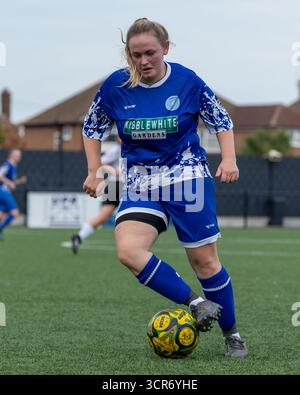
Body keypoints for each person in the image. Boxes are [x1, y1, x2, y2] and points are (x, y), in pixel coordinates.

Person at [81, 18, 248, 357]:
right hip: (141, 182)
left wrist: (229, 158)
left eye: (150, 53)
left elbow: (221, 120)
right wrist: (94, 170)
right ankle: (197, 303)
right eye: (136, 54)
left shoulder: (187, 80)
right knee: (128, 251)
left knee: (204, 263)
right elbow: (91, 127)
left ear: (166, 48)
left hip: (187, 179)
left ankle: (232, 335)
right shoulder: (115, 86)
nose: (143, 62)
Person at [71, 136, 122, 254]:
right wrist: (116, 172)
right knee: (104, 216)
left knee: (105, 217)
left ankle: (79, 237)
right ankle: (79, 237)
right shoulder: (116, 149)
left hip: (120, 185)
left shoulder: (129, 148)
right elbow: (101, 163)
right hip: (116, 185)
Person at [0, 149, 27, 240]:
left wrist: (20, 181)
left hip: (4, 191)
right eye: (18, 155)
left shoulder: (13, 166)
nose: (20, 157)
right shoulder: (8, 165)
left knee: (1, 214)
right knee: (15, 212)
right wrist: (9, 183)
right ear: (12, 155)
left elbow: (11, 182)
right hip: (3, 191)